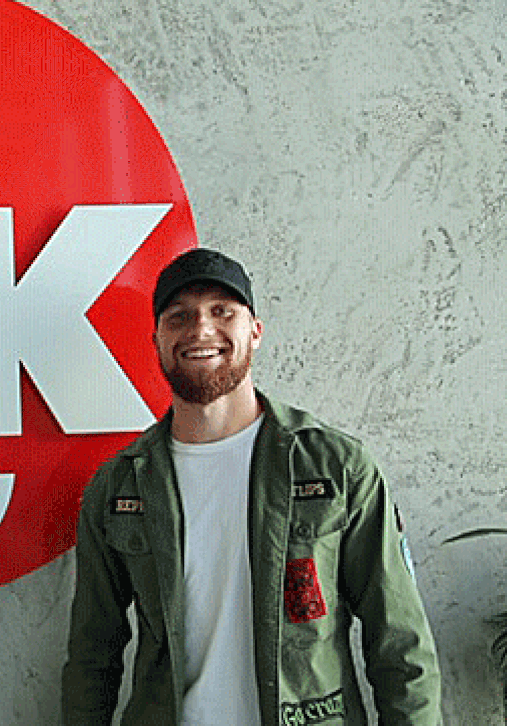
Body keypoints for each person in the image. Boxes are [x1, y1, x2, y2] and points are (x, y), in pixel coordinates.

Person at [62, 249, 441, 725]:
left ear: (255, 331)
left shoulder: (336, 468)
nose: (201, 329)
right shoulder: (118, 487)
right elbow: (92, 656)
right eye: (179, 316)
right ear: (157, 340)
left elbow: (400, 642)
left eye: (222, 311)